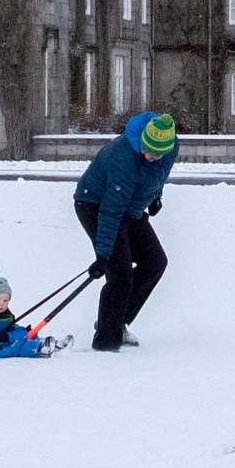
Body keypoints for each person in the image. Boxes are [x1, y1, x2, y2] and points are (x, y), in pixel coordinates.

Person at [73, 112, 179, 352]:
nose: (151, 157)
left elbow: (160, 173)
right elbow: (110, 212)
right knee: (120, 273)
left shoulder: (171, 147)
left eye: (157, 153)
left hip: (130, 207)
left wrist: (155, 197)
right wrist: (103, 256)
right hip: (95, 205)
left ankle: (115, 321)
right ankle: (106, 345)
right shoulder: (124, 157)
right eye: (148, 151)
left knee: (155, 262)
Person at [0, 269, 70, 359]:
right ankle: (38, 348)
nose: (1, 303)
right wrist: (8, 337)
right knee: (17, 346)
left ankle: (52, 344)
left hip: (2, 340)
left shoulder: (3, 312)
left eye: (5, 300)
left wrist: (24, 331)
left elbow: (10, 326)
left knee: (25, 334)